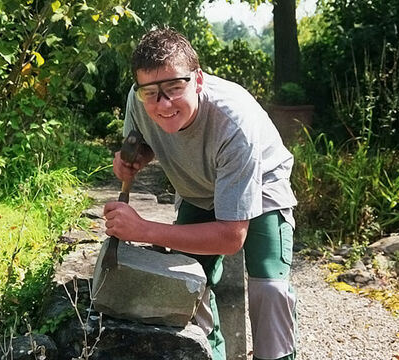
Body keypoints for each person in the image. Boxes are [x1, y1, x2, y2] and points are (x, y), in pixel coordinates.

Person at [103, 27, 297, 360]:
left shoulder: (234, 122)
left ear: (198, 79)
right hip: (196, 189)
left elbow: (231, 236)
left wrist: (142, 229)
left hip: (262, 188)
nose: (162, 103)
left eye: (174, 88)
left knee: (269, 289)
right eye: (150, 92)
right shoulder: (140, 98)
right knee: (189, 284)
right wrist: (131, 161)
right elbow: (143, 142)